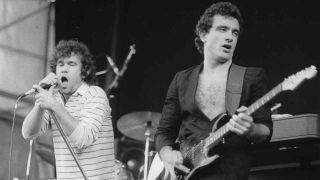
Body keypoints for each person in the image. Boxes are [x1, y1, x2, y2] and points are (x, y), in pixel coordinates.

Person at [154, 1, 273, 180]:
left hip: (231, 173)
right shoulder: (181, 79)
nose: (230, 37)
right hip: (187, 173)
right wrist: (167, 155)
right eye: (222, 29)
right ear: (203, 34)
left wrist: (250, 129)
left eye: (235, 32)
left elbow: (265, 130)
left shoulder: (252, 77)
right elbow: (164, 132)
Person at [22, 40, 115, 180]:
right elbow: (28, 133)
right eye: (60, 64)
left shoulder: (95, 94)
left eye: (71, 64)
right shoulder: (54, 98)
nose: (64, 69)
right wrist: (40, 101)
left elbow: (83, 138)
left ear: (85, 72)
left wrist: (54, 106)